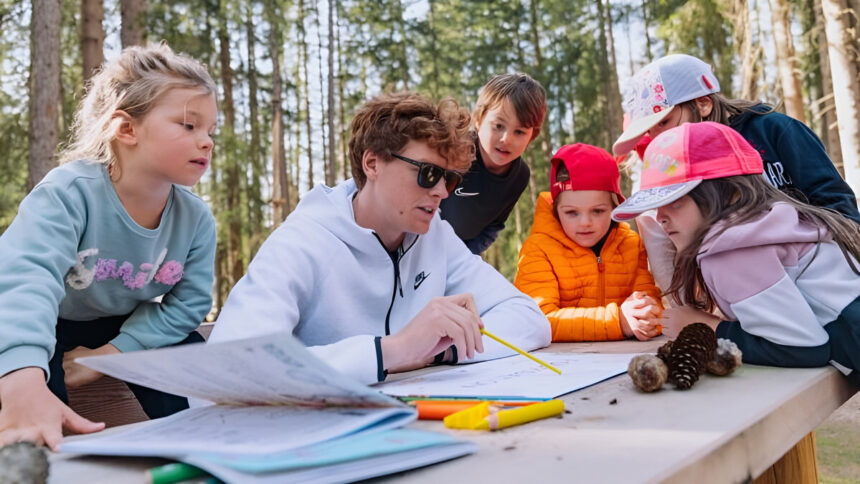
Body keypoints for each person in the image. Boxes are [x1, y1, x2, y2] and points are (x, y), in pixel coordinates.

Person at [209, 92, 551, 384]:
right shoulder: (302, 243)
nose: (441, 193)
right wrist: (392, 351)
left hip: (420, 426)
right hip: (314, 445)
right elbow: (228, 368)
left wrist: (437, 351)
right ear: (372, 163)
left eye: (449, 179)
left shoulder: (435, 235)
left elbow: (529, 319)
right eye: (428, 173)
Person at [0, 43, 218, 450]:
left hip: (119, 324)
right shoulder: (68, 194)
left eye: (210, 130)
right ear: (126, 129)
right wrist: (21, 379)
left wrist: (108, 355)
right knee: (37, 379)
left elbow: (187, 305)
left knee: (184, 352)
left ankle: (205, 445)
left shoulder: (196, 219)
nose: (205, 141)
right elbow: (25, 281)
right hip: (44, 319)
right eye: (189, 125)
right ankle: (40, 453)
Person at [612, 122, 860, 384]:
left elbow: (805, 348)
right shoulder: (764, 224)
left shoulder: (731, 251)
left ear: (730, 193)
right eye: (657, 205)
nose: (660, 217)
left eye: (675, 202)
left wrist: (707, 326)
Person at [613, 53, 859, 224]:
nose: (658, 138)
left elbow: (839, 206)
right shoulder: (681, 169)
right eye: (649, 131)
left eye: (664, 123)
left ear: (703, 104)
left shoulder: (775, 131)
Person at [514, 144, 663, 342]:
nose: (585, 223)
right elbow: (538, 320)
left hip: (624, 359)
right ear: (556, 210)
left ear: (614, 206)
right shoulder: (538, 250)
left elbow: (652, 305)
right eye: (572, 213)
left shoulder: (631, 245)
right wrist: (618, 321)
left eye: (598, 211)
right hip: (560, 366)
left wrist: (647, 317)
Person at [439, 73, 547, 254]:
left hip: (461, 254)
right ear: (479, 120)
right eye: (498, 126)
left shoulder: (520, 176)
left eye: (519, 132)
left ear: (532, 136)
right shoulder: (455, 150)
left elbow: (493, 227)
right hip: (418, 242)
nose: (506, 139)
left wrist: (466, 256)